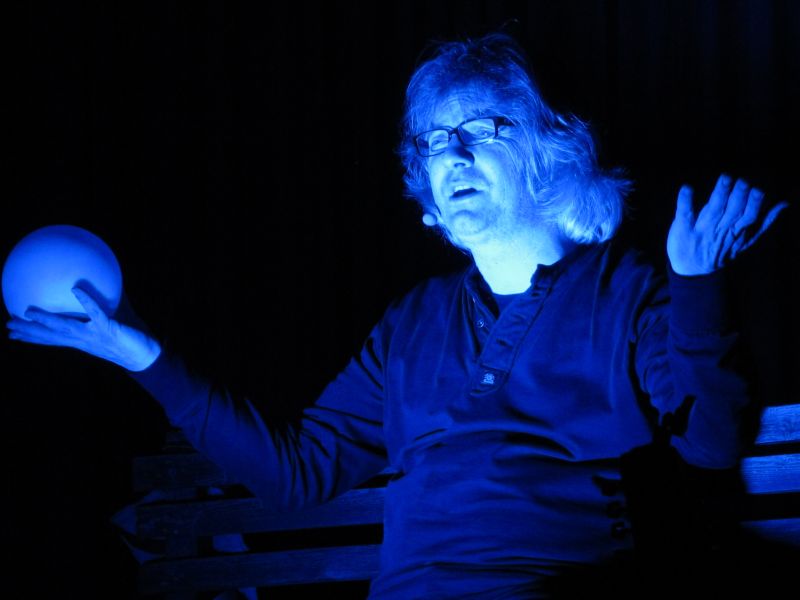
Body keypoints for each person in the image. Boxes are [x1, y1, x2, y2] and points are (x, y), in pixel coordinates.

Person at [6, 32, 788, 598]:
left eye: (482, 127)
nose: (453, 154)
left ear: (551, 150)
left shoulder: (626, 291)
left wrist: (697, 282)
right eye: (434, 140)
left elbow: (712, 442)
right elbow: (296, 473)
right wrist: (141, 355)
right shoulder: (413, 321)